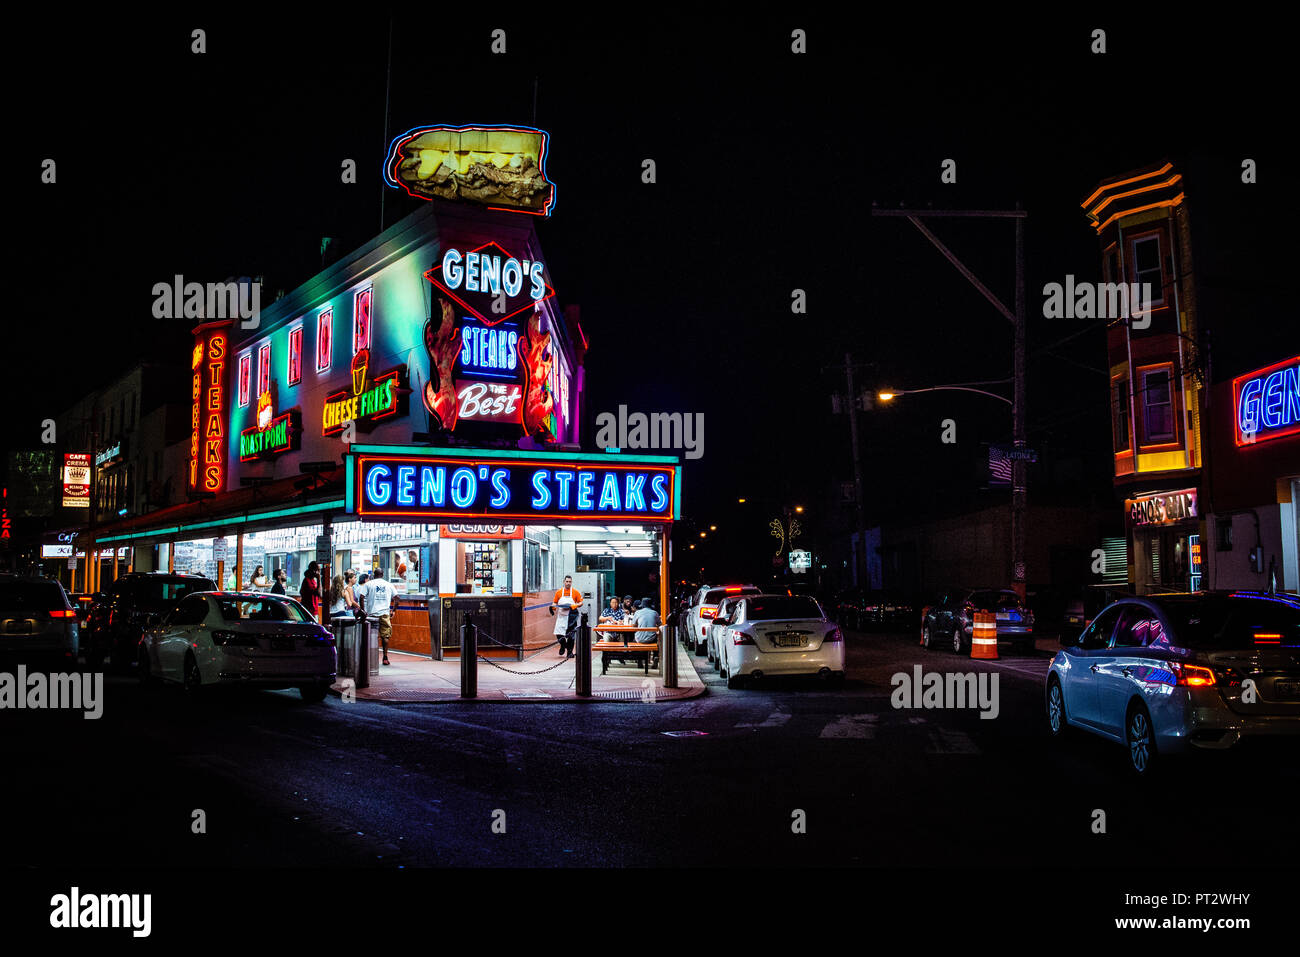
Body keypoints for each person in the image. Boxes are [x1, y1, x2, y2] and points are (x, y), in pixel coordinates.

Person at [354, 569, 395, 665]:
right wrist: (393, 610)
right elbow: (397, 598)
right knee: (385, 636)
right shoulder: (388, 584)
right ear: (383, 574)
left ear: (374, 575)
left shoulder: (369, 584)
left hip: (372, 614)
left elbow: (361, 597)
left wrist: (363, 610)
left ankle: (369, 656)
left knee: (371, 635)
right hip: (385, 613)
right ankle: (385, 657)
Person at [550, 575, 582, 657]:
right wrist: (553, 606)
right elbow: (555, 602)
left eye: (570, 582)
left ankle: (570, 652)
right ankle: (563, 645)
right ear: (564, 582)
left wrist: (576, 605)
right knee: (559, 634)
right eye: (567, 581)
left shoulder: (575, 592)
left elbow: (581, 602)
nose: (568, 583)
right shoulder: (559, 592)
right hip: (561, 616)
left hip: (572, 616)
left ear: (571, 582)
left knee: (571, 635)